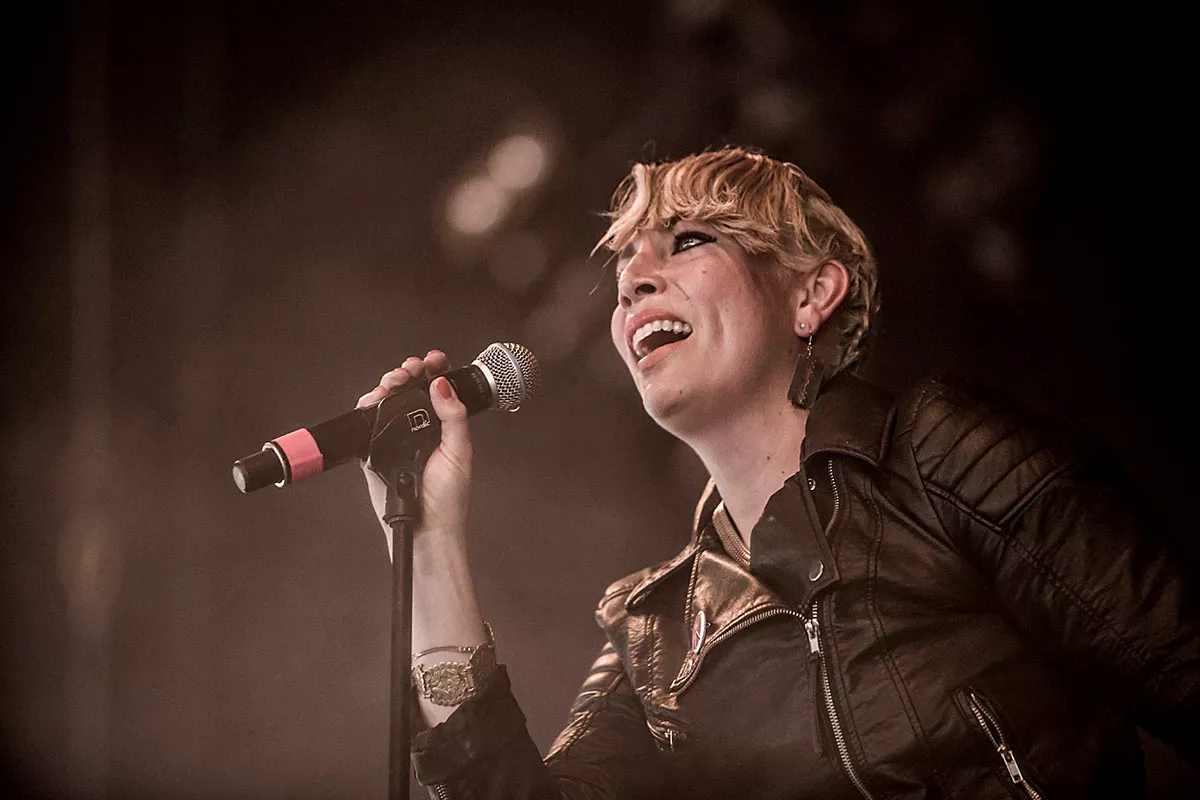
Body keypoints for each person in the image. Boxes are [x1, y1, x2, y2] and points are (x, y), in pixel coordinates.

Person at [354, 147, 1200, 798]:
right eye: (625, 269)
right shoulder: (653, 632)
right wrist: (427, 538)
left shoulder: (941, 456)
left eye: (687, 242)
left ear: (810, 295)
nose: (633, 282)